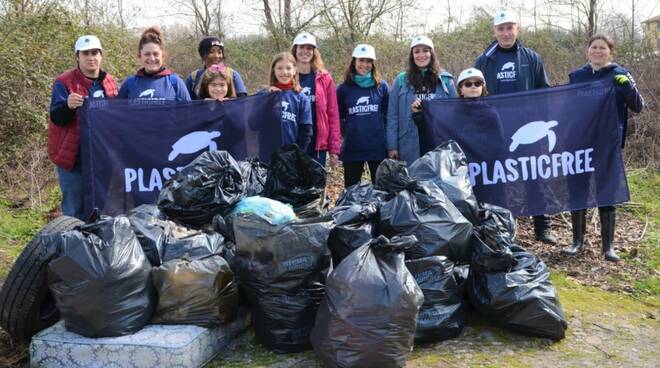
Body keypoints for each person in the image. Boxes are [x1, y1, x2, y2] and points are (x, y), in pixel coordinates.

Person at [474, 10, 556, 244]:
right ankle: (499, 228)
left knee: (534, 177)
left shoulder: (531, 58)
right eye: (501, 28)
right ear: (495, 32)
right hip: (496, 131)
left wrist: (544, 127)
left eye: (510, 27)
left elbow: (544, 93)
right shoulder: (484, 60)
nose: (506, 33)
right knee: (498, 180)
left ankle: (542, 228)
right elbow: (474, 95)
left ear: (517, 29)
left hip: (529, 129)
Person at [562, 34, 644, 262]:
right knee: (578, 190)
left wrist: (628, 87)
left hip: (608, 145)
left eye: (602, 48)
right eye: (594, 47)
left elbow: (638, 106)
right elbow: (567, 110)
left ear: (610, 52)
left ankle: (608, 247)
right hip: (579, 144)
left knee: (606, 192)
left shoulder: (621, 74)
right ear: (588, 51)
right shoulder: (577, 76)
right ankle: (576, 241)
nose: (598, 51)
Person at [48, 35, 118, 220]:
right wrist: (68, 106)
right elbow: (57, 118)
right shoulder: (64, 82)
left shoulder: (109, 82)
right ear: (77, 57)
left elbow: (118, 118)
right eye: (85, 53)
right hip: (73, 159)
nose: (91, 57)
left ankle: (95, 247)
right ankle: (72, 247)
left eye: (94, 52)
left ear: (101, 56)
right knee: (73, 211)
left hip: (101, 158)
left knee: (101, 210)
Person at [387, 35, 457, 165]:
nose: (421, 55)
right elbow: (392, 115)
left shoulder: (446, 80)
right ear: (412, 55)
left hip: (439, 141)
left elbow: (456, 114)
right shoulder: (401, 80)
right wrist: (392, 146)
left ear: (432, 53)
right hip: (409, 142)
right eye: (416, 51)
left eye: (425, 50)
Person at [336, 44, 389, 187]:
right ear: (354, 61)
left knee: (381, 190)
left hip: (377, 147)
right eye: (361, 60)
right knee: (351, 189)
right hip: (353, 147)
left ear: (373, 64)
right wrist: (344, 134)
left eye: (368, 61)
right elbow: (338, 117)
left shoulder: (381, 86)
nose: (364, 65)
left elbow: (387, 115)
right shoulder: (343, 89)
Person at [290, 32, 340, 167]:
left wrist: (334, 148)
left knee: (316, 188)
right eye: (302, 47)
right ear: (295, 49)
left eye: (309, 48)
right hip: (292, 146)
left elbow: (332, 114)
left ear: (314, 52)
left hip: (317, 147)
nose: (305, 51)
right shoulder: (286, 76)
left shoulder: (324, 78)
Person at [118, 27, 190, 101]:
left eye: (156, 54)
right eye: (147, 54)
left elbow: (189, 111)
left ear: (163, 56)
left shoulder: (176, 83)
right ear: (140, 56)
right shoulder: (129, 84)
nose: (152, 58)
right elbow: (117, 111)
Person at [265, 52, 313, 151]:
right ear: (274, 70)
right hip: (266, 156)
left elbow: (306, 132)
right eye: (279, 68)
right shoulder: (263, 95)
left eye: (288, 68)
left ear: (295, 70)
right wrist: (268, 99)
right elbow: (252, 125)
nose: (284, 72)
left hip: (291, 156)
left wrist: (296, 155)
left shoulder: (302, 98)